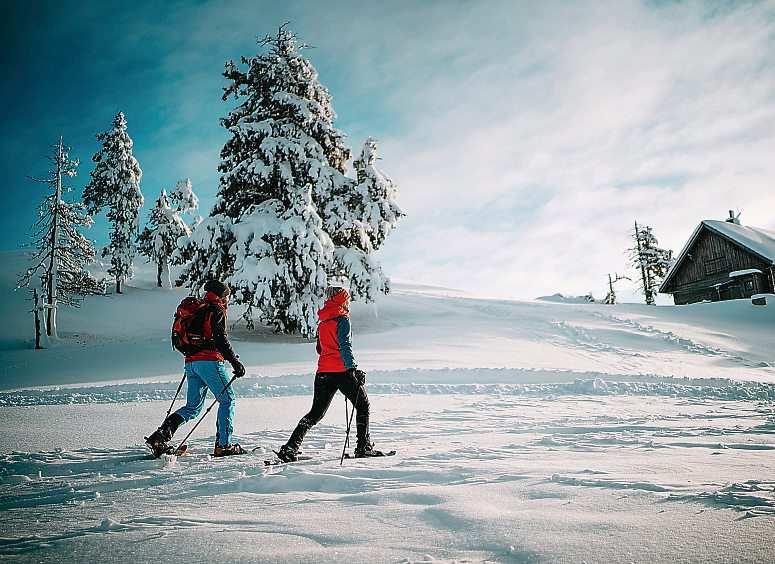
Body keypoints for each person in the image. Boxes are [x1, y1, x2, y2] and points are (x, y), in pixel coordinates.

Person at [276, 285, 385, 462]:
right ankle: (363, 446)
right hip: (342, 371)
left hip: (323, 372)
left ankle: (290, 448)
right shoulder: (342, 319)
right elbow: (345, 346)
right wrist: (353, 369)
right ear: (342, 300)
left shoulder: (323, 321)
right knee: (363, 406)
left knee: (315, 414)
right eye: (347, 298)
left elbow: (320, 349)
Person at [145, 280, 247, 457]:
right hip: (210, 362)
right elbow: (220, 338)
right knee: (227, 400)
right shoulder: (216, 309)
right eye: (227, 295)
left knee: (193, 407)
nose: (228, 299)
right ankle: (224, 446)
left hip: (191, 363)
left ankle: (159, 437)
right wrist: (235, 362)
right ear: (222, 296)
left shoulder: (198, 308)